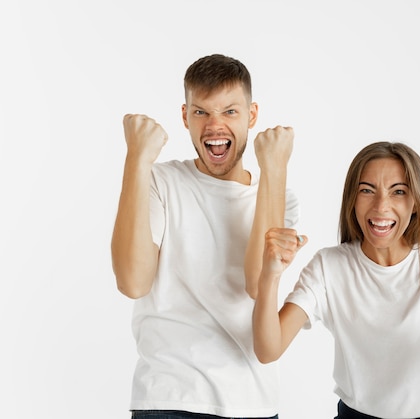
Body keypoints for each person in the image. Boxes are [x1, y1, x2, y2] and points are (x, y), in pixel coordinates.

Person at [253, 141, 420, 419]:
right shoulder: (330, 266)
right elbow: (269, 349)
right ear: (352, 198)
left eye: (398, 192)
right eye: (367, 190)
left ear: (416, 203)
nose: (381, 206)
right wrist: (270, 276)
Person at [111, 54, 299, 419]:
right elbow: (132, 282)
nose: (215, 126)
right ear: (185, 116)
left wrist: (274, 167)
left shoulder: (279, 195)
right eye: (201, 113)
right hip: (169, 399)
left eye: (230, 111)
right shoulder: (160, 181)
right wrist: (136, 158)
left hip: (253, 404)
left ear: (252, 115)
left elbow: (256, 284)